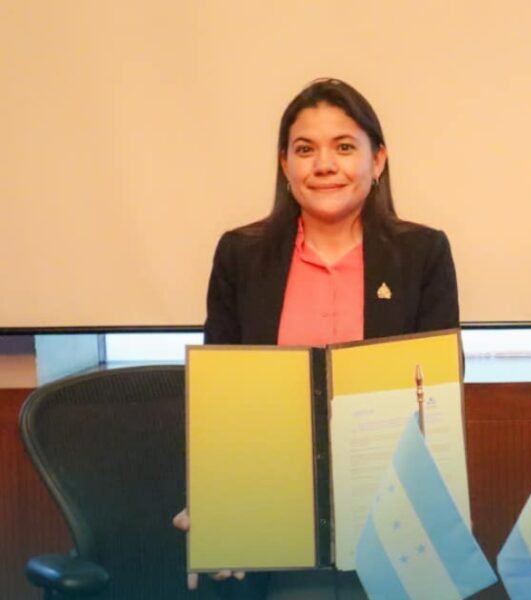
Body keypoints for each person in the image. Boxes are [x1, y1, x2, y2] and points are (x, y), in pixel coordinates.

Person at [175, 77, 459, 599]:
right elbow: (221, 401)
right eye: (305, 150)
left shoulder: (423, 255)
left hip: (390, 518)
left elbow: (437, 397)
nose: (324, 165)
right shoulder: (241, 255)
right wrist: (215, 503)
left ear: (378, 161)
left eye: (345, 147)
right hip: (271, 514)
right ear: (285, 166)